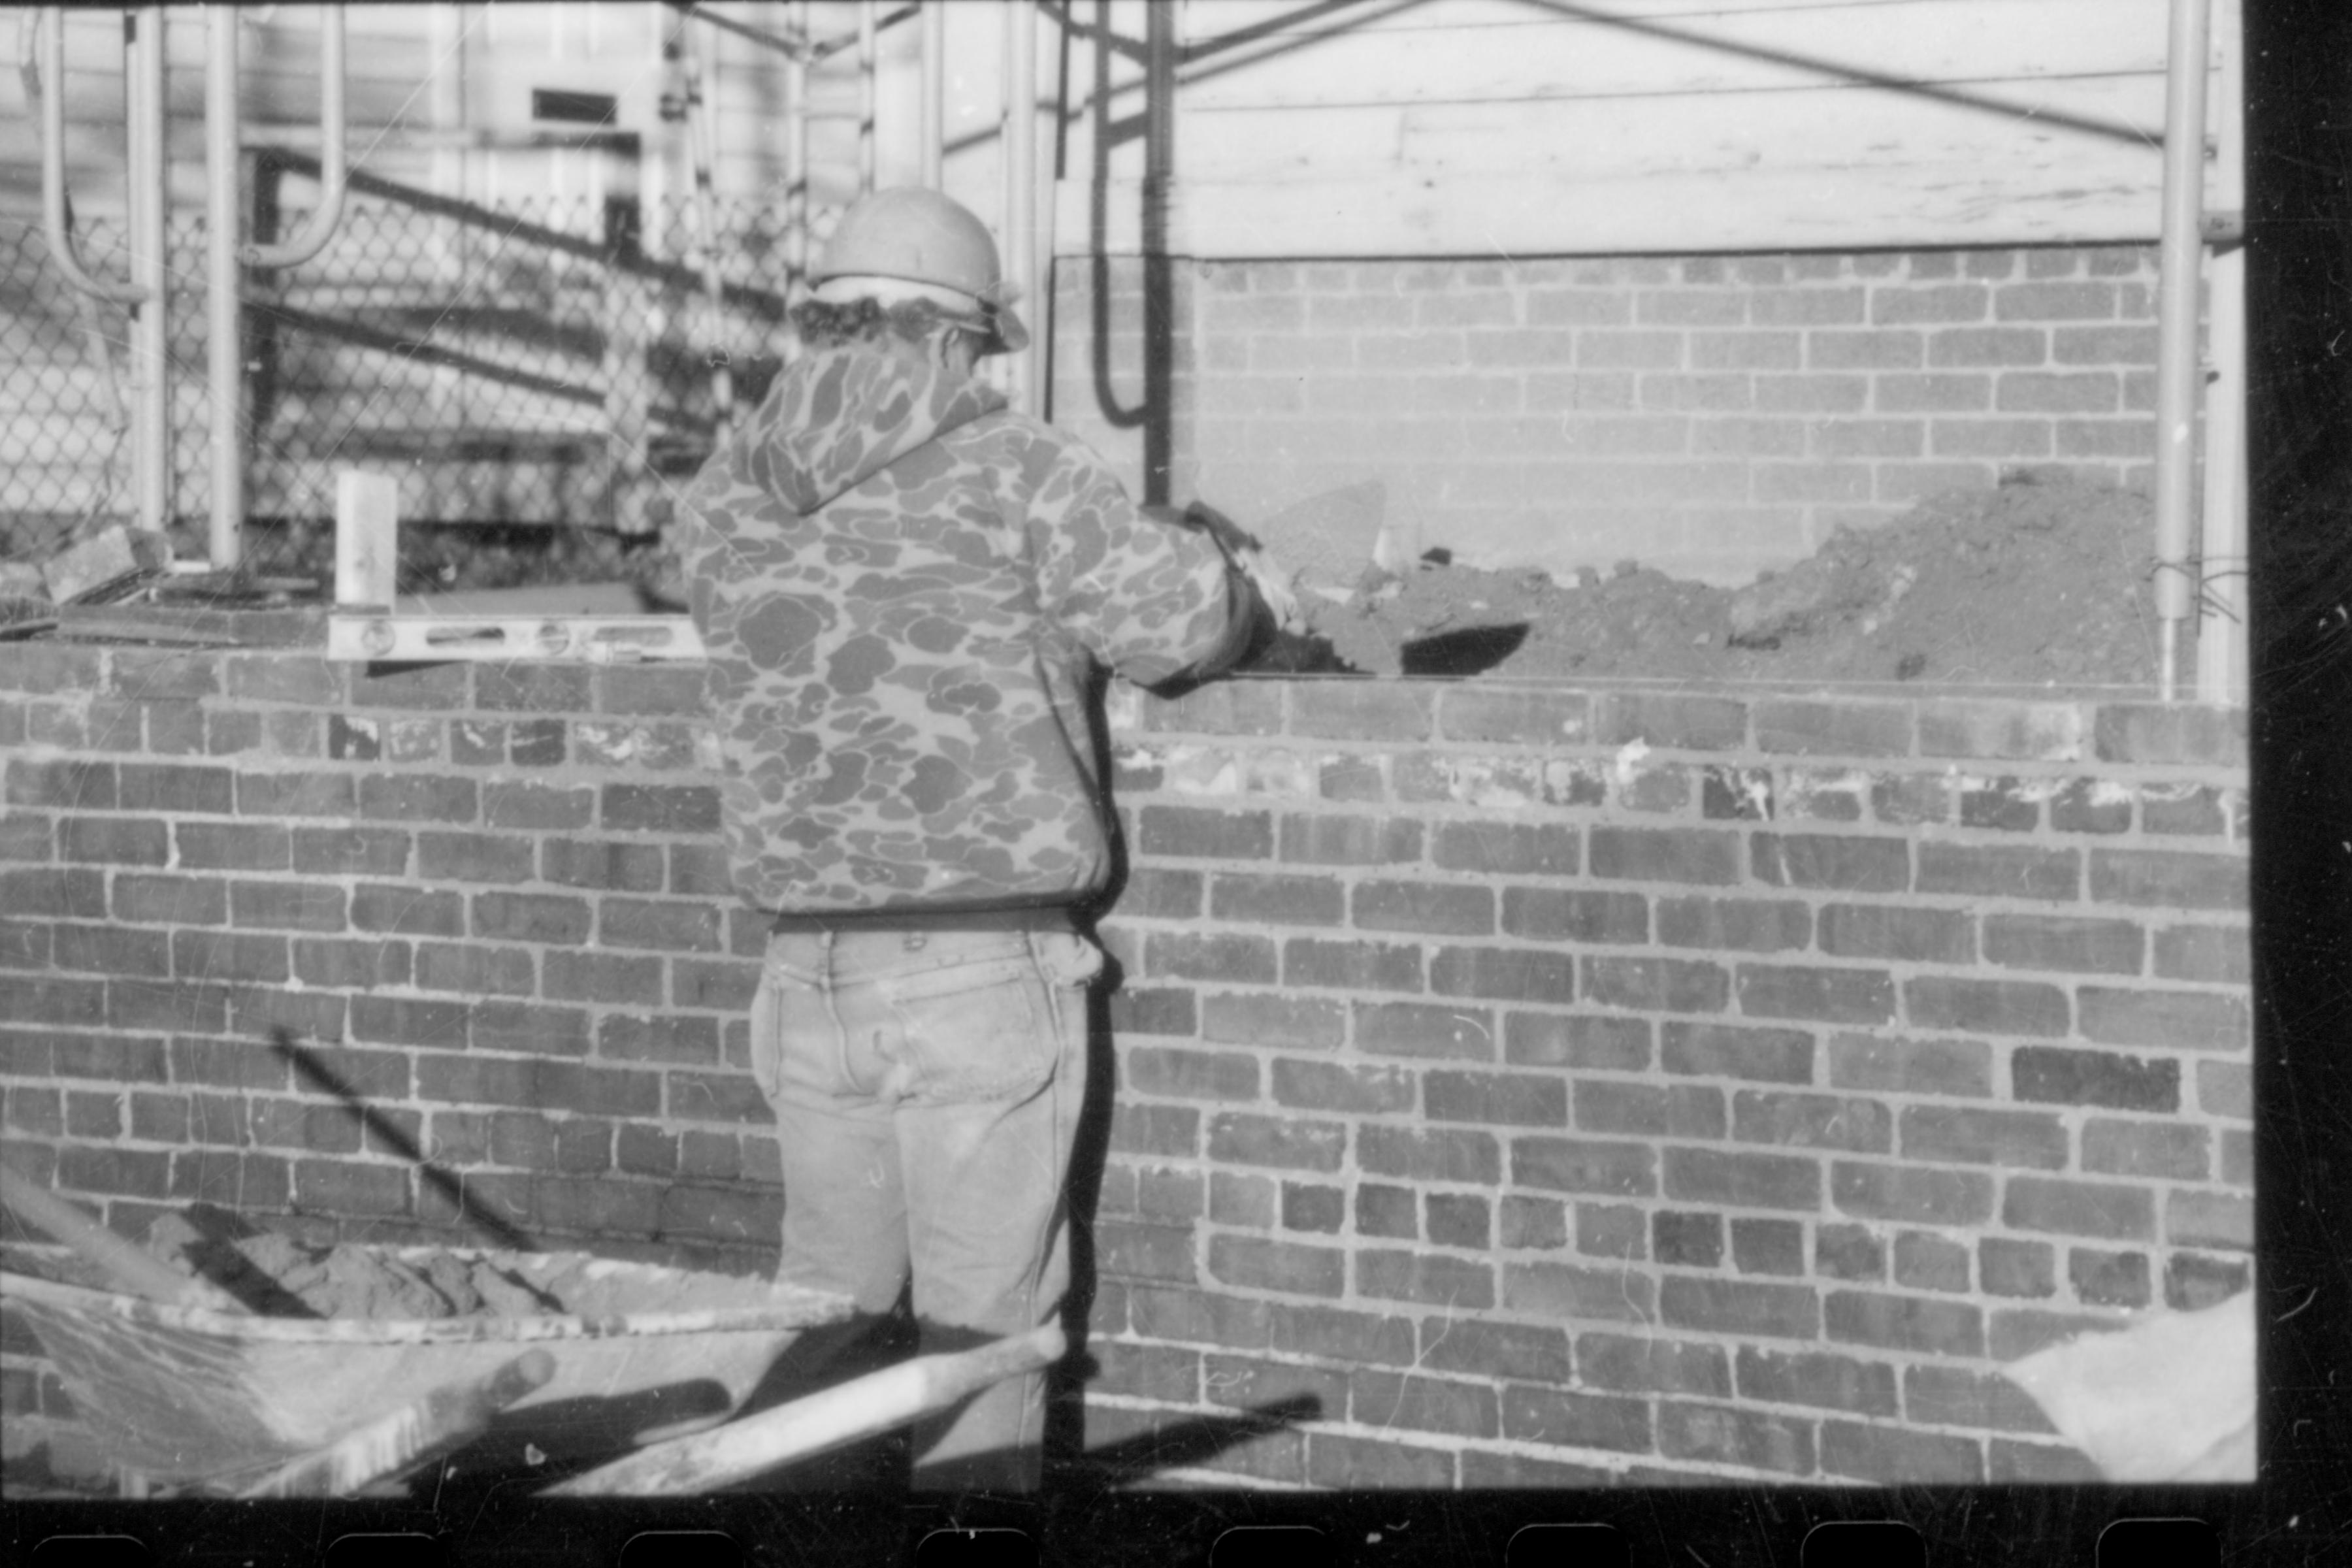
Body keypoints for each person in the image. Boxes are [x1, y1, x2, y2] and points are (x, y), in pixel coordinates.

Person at [671, 186, 1298, 1491]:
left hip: (806, 977)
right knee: (978, 1348)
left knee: (819, 1339)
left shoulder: (725, 493)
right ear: (956, 339)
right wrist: (1245, 590)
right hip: (973, 976)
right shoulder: (1018, 467)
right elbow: (1177, 625)